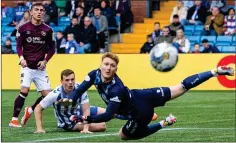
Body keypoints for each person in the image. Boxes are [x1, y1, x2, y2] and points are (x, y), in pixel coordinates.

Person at [69, 52, 234, 140]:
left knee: (123, 136)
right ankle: (215, 72)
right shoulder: (94, 74)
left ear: (116, 70)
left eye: (112, 66)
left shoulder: (116, 90)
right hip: (141, 94)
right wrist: (70, 100)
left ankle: (215, 72)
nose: (108, 68)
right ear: (101, 65)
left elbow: (108, 115)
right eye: (106, 64)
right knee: (181, 87)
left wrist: (86, 119)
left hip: (141, 111)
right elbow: (79, 89)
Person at [9, 3, 55, 128]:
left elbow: (52, 49)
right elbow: (18, 46)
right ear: (31, 12)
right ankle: (14, 120)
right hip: (27, 67)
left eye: (41, 10)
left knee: (49, 97)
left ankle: (30, 110)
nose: (39, 12)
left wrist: (45, 60)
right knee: (24, 90)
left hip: (40, 68)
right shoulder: (22, 28)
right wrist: (21, 58)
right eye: (36, 10)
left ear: (43, 13)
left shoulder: (48, 30)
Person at [34, 69, 106, 133]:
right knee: (102, 126)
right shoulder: (55, 94)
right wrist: (39, 128)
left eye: (72, 79)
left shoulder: (81, 88)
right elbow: (38, 108)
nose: (70, 82)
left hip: (78, 111)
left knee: (107, 112)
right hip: (68, 121)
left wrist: (86, 128)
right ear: (61, 82)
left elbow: (86, 109)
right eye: (67, 80)